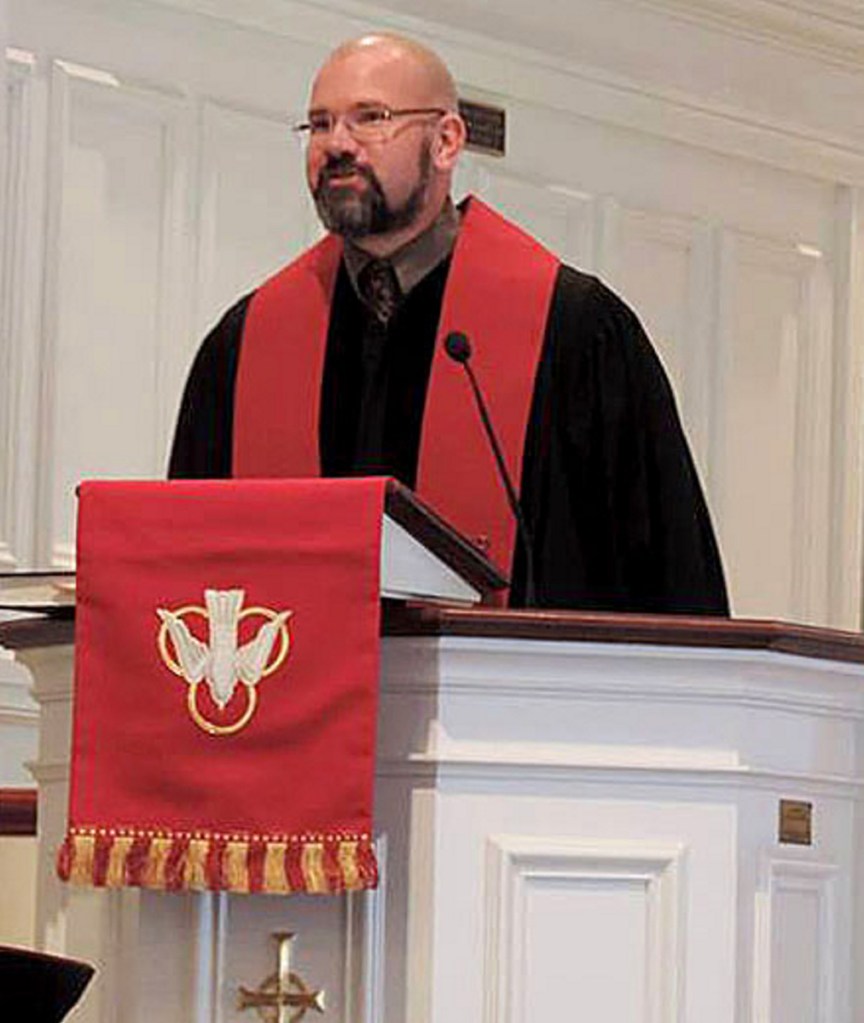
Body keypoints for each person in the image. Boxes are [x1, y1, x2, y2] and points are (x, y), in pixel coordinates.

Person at [169, 32, 729, 615]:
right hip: (304, 702)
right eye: (320, 124)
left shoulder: (575, 332)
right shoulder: (245, 345)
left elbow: (670, 580)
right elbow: (184, 571)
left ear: (446, 141)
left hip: (518, 701)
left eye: (370, 118)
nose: (337, 144)